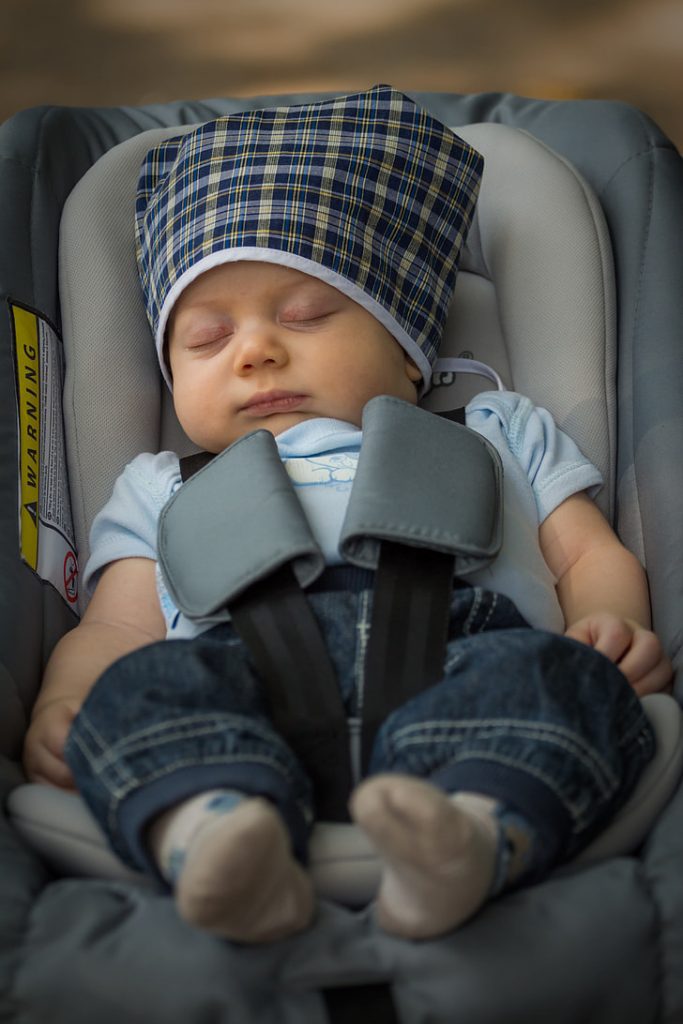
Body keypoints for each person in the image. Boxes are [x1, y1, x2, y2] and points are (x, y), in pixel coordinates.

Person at [23, 85, 672, 945]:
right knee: (140, 693)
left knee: (566, 684)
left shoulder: (500, 430)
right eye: (207, 340)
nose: (254, 349)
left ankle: (472, 833)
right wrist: (68, 700)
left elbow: (587, 552)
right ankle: (214, 833)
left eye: (307, 314)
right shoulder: (158, 485)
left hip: (470, 659)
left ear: (410, 353)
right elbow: (115, 629)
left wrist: (610, 621)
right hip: (237, 682)